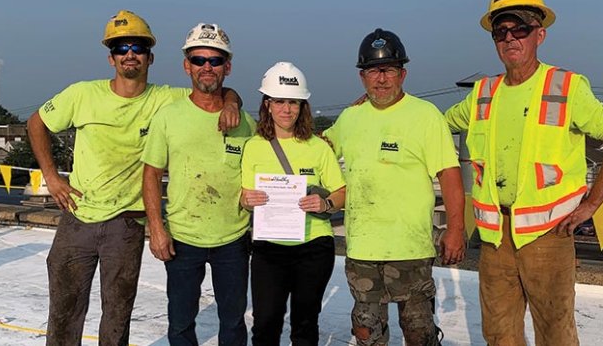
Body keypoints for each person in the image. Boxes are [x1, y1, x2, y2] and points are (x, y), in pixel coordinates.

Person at [29, 11, 241, 346]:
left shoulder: (165, 99)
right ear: (111, 57)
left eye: (138, 47)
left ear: (150, 57)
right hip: (78, 217)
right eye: (121, 47)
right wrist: (51, 177)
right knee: (65, 311)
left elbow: (213, 90)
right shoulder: (82, 94)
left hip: (126, 223)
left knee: (117, 314)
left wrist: (233, 102)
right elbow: (36, 123)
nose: (130, 53)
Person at [444, 0, 603, 345]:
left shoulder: (566, 87)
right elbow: (431, 125)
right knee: (499, 335)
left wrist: (593, 204)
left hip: (549, 236)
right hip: (496, 237)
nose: (510, 38)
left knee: (555, 333)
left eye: (521, 29)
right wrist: (381, 100)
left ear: (540, 34)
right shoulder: (484, 93)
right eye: (501, 32)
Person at [323, 28, 466, 346]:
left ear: (403, 73)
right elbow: (316, 149)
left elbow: (450, 175)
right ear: (362, 77)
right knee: (367, 334)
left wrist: (456, 228)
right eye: (373, 71)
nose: (381, 79)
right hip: (362, 249)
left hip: (411, 249)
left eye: (388, 70)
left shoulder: (425, 116)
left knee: (418, 331)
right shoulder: (350, 118)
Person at [140, 23, 255, 346]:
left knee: (233, 322)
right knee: (180, 322)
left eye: (215, 60)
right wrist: (157, 228)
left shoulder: (247, 124)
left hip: (232, 239)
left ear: (227, 67)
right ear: (186, 66)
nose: (207, 67)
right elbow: (150, 175)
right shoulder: (168, 117)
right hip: (182, 237)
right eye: (199, 59)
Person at [239, 62, 347, 346]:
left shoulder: (318, 146)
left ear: (303, 106)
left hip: (313, 248)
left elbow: (341, 192)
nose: (287, 109)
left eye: (294, 102)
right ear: (268, 105)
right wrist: (246, 199)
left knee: (305, 323)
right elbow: (244, 195)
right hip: (269, 249)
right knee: (265, 323)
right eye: (280, 101)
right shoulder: (254, 147)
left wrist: (325, 204)